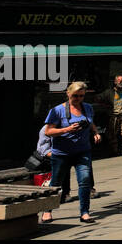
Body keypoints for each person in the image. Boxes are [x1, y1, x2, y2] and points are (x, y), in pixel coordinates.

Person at [42, 81, 101, 223]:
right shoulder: (57, 111)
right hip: (62, 153)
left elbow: (90, 122)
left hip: (83, 151)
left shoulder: (87, 108)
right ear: (68, 94)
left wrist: (95, 132)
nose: (78, 99)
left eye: (81, 96)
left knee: (85, 181)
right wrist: (66, 129)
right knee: (56, 182)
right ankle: (47, 211)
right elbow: (48, 131)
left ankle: (85, 212)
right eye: (75, 96)